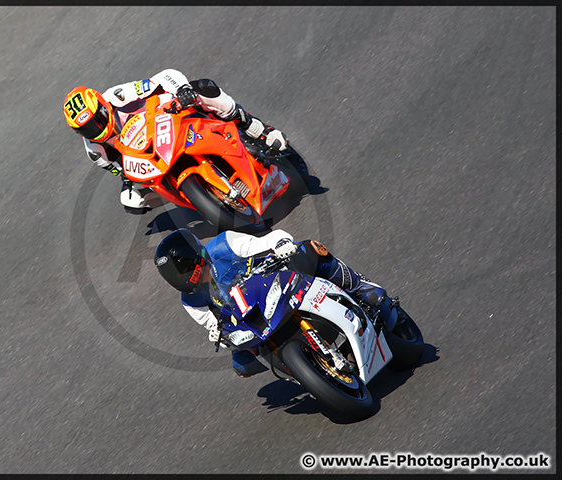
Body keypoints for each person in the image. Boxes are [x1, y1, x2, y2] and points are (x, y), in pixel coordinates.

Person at [154, 228, 388, 377]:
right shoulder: (190, 301)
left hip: (275, 279)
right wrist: (218, 334)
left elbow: (269, 239)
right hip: (250, 316)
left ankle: (360, 285)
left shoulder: (225, 244)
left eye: (184, 269)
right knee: (241, 364)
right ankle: (302, 371)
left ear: (197, 255)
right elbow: (212, 325)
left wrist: (281, 245)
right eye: (175, 275)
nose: (182, 277)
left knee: (309, 249)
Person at [63, 69, 289, 214]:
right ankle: (200, 198)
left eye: (97, 120)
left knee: (202, 88)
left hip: (169, 117)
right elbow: (121, 172)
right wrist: (133, 180)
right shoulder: (95, 151)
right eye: (87, 129)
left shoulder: (118, 95)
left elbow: (161, 78)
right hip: (149, 154)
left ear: (103, 105)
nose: (96, 130)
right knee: (131, 200)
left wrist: (181, 90)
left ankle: (255, 128)